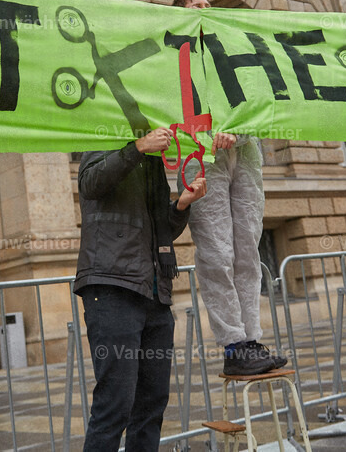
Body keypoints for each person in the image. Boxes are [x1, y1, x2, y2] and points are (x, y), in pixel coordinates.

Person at [171, 0, 286, 376]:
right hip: (201, 159)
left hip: (246, 155)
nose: (205, 13)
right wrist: (209, 135)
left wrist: (238, 132)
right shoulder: (172, 62)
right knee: (217, 253)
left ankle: (252, 339)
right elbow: (171, 113)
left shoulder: (237, 52)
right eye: (196, 9)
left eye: (208, 7)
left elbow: (263, 104)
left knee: (247, 250)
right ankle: (234, 345)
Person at [76, 127, 207, 451]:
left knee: (152, 403)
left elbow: (159, 230)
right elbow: (90, 184)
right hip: (112, 288)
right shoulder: (103, 137)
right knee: (114, 403)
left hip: (154, 293)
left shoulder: (152, 160)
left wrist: (181, 205)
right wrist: (137, 147)